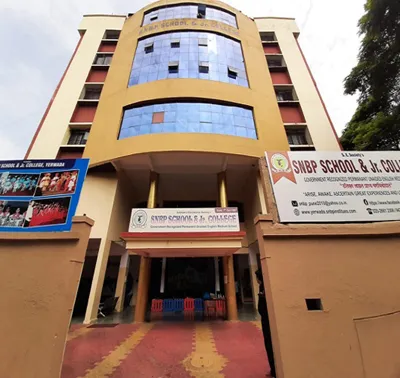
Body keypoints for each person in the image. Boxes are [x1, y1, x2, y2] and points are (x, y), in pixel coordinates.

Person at [255, 269, 276, 378]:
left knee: (271, 343)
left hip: (269, 319)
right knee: (269, 343)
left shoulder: (266, 288)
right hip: (265, 318)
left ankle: (275, 369)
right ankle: (273, 369)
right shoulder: (262, 287)